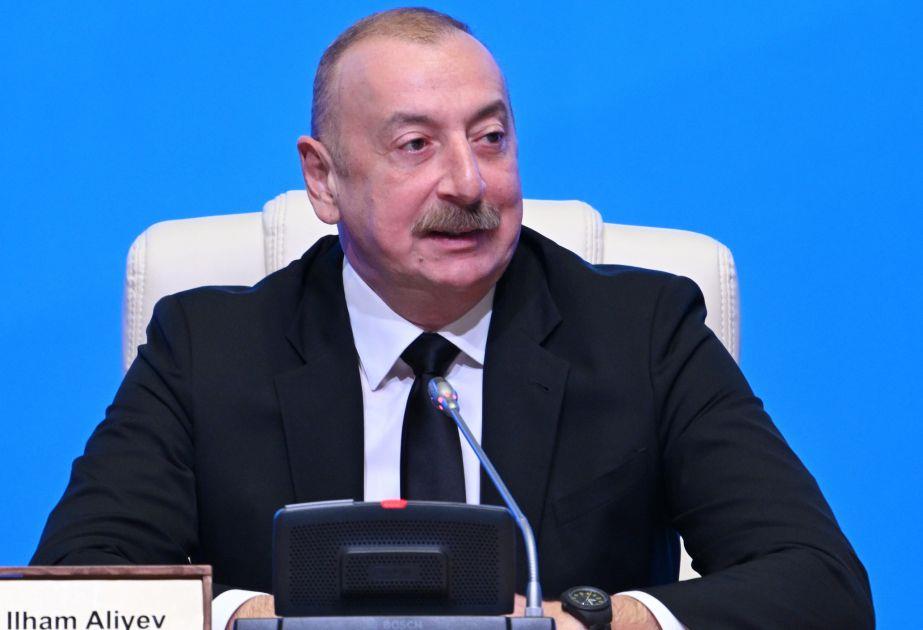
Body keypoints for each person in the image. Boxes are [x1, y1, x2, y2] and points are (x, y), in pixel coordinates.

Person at [32, 8, 874, 629]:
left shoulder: (641, 332)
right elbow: (76, 592)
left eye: (491, 138)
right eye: (416, 145)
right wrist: (268, 622)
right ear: (323, 179)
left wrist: (585, 621)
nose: (469, 184)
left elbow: (820, 586)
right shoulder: (206, 348)